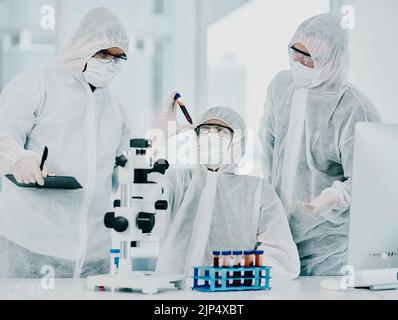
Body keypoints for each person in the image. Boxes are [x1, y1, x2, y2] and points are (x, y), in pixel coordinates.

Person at [0, 7, 133, 278]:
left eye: (118, 58)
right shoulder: (38, 83)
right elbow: (3, 131)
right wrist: (19, 158)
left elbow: (129, 167)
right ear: (83, 46)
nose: (110, 63)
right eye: (103, 54)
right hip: (31, 243)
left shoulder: (115, 108)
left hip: (94, 254)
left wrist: (166, 135)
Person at [259, 13, 382, 276]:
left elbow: (372, 182)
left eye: (310, 59)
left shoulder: (354, 108)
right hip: (278, 243)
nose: (300, 63)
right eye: (296, 53)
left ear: (333, 61)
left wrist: (336, 196)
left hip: (330, 251)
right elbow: (268, 148)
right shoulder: (281, 88)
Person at [155, 103, 300, 279]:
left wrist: (232, 274)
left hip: (233, 293)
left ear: (238, 143)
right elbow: (141, 199)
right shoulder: (177, 181)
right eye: (206, 130)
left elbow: (281, 257)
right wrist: (159, 140)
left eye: (220, 131)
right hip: (174, 290)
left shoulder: (257, 191)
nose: (211, 137)